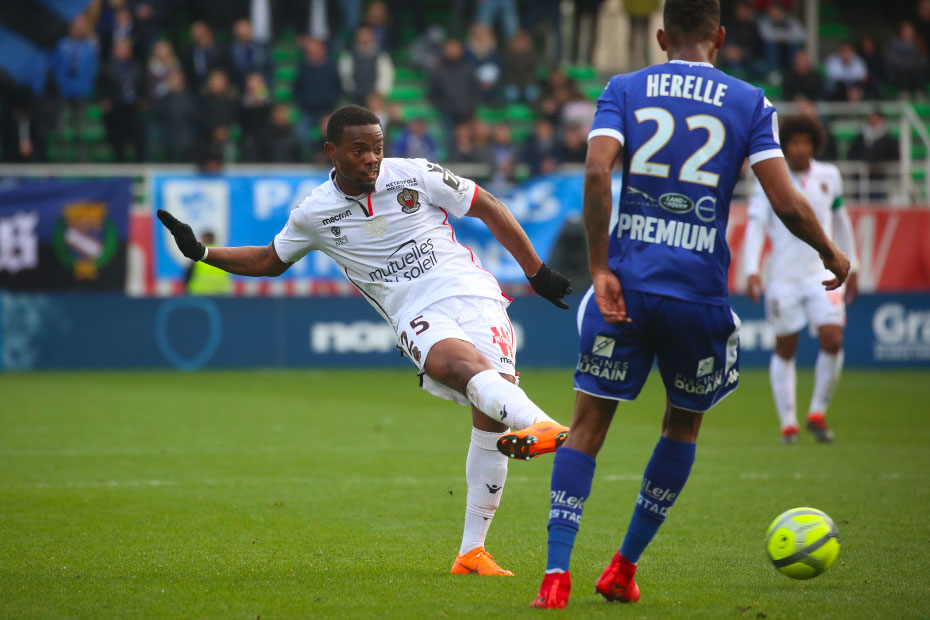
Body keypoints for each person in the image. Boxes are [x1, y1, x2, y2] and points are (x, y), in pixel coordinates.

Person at [157, 104, 574, 576]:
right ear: (332, 151)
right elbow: (268, 260)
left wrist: (536, 272)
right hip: (415, 311)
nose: (372, 158)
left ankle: (471, 552)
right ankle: (541, 423)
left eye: (377, 148)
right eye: (359, 150)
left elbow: (488, 206)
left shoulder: (415, 174)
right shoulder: (314, 212)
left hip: (473, 293)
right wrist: (203, 252)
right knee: (456, 367)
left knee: (492, 416)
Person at [529, 0, 850, 609]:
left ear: (661, 36)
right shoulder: (750, 102)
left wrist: (599, 267)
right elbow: (785, 201)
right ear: (720, 37)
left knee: (588, 425)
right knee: (681, 425)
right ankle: (622, 569)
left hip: (626, 287)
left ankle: (555, 576)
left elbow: (596, 173)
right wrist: (830, 250)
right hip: (698, 297)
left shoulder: (624, 89)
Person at [743, 115, 859, 444]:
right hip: (783, 276)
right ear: (786, 146)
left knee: (832, 339)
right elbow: (755, 225)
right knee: (785, 346)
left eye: (806, 142)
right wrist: (751, 269)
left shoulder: (829, 176)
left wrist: (853, 265)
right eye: (794, 142)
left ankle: (817, 413)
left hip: (821, 273)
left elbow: (840, 220)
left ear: (814, 145)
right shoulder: (768, 178)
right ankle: (788, 423)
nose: (800, 148)